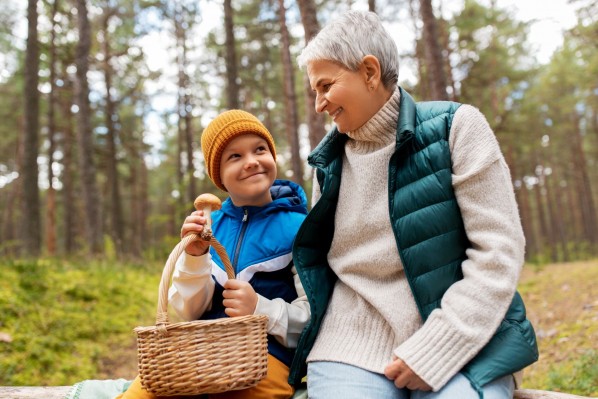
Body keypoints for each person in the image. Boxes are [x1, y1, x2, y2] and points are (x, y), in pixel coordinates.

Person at [288, 10, 538, 399]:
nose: (319, 104)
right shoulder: (328, 165)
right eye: (313, 91)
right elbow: (315, 264)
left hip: (459, 333)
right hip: (348, 344)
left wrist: (437, 348)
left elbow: (498, 251)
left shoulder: (457, 128)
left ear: (369, 71)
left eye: (325, 86)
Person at [117, 109, 310, 399]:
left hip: (265, 358)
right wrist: (194, 257)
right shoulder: (209, 227)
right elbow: (186, 312)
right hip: (199, 352)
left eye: (260, 149)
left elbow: (313, 321)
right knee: (143, 393)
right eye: (235, 156)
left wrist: (260, 308)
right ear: (217, 175)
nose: (252, 162)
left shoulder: (300, 229)